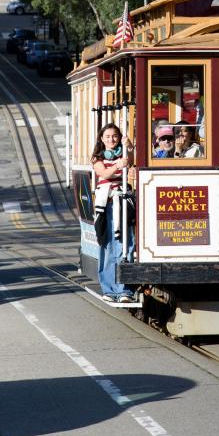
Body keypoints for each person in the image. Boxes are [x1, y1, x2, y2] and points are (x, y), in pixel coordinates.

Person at [91, 123, 134, 303]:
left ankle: (125, 290)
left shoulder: (123, 154)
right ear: (102, 139)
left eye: (115, 136)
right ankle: (109, 289)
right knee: (108, 245)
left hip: (123, 202)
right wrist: (118, 164)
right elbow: (105, 173)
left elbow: (132, 162)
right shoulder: (97, 157)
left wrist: (130, 148)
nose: (111, 139)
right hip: (107, 205)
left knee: (126, 245)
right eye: (108, 136)